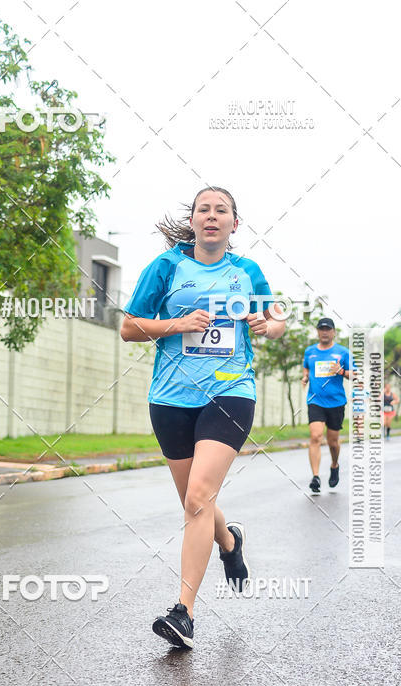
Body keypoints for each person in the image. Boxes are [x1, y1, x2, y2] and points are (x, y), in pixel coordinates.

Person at [120, 186, 285, 649]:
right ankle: (230, 543)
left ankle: (183, 613)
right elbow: (129, 327)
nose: (212, 217)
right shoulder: (166, 267)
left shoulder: (246, 271)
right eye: (203, 210)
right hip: (170, 399)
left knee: (198, 495)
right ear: (192, 220)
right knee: (195, 502)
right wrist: (178, 324)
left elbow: (277, 322)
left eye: (222, 211)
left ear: (235, 224)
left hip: (230, 392)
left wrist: (265, 325)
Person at [301, 318, 354, 494]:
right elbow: (306, 368)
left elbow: (355, 375)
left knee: (333, 442)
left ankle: (334, 464)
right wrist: (305, 377)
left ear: (333, 332)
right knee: (315, 436)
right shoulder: (310, 352)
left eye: (328, 329)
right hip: (315, 400)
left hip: (336, 402)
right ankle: (315, 477)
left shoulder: (343, 352)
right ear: (317, 331)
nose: (324, 332)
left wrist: (342, 372)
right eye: (321, 329)